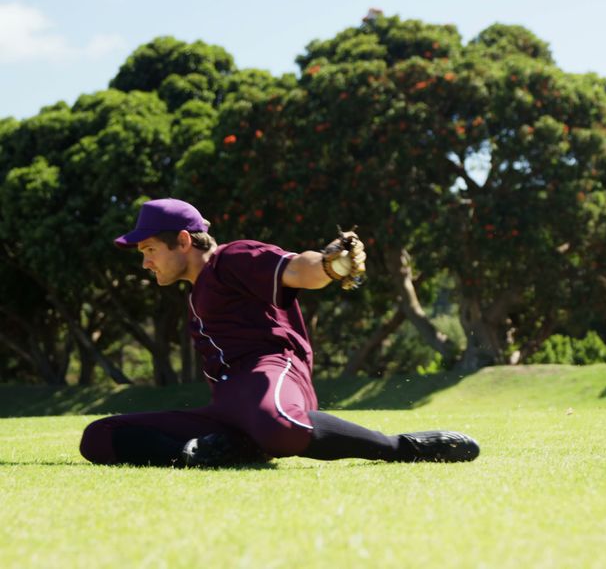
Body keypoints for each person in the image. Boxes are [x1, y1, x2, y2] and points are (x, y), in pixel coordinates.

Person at [79, 198, 479, 467]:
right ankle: (207, 453)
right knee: (101, 436)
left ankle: (400, 448)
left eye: (149, 249)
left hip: (273, 374)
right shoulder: (196, 293)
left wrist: (330, 266)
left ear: (183, 241)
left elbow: (295, 269)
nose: (145, 263)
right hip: (229, 407)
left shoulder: (232, 258)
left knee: (277, 427)